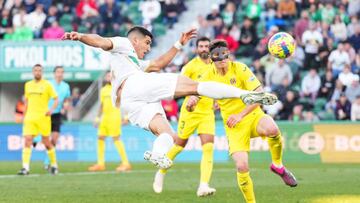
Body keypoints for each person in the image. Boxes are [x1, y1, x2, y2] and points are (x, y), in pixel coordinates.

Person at [62, 26, 277, 170]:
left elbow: (157, 64)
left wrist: (179, 44)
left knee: (168, 135)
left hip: (129, 103)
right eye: (146, 43)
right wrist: (80, 37)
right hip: (135, 85)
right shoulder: (124, 44)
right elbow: (101, 41)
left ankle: (157, 154)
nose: (147, 48)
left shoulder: (133, 62)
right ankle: (245, 94)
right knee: (195, 87)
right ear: (135, 40)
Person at [192, 40, 297, 202]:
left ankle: (277, 165)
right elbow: (197, 90)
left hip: (251, 115)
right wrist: (193, 99)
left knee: (273, 129)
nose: (222, 58)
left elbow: (260, 95)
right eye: (217, 56)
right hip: (234, 126)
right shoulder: (208, 75)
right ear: (212, 59)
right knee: (242, 166)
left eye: (225, 54)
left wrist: (240, 114)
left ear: (229, 54)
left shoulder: (240, 68)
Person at [152, 37, 217, 197]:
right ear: (196, 49)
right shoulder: (190, 67)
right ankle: (161, 171)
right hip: (191, 112)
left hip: (207, 112)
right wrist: (191, 96)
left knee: (208, 148)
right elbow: (179, 87)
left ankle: (203, 185)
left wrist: (217, 101)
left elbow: (216, 85)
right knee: (179, 145)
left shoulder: (215, 66)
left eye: (206, 46)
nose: (203, 49)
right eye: (200, 46)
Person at [18, 64, 59, 175]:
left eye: (39, 70)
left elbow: (56, 99)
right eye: (36, 70)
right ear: (33, 72)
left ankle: (54, 165)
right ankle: (25, 168)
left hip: (43, 118)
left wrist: (51, 110)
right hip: (30, 118)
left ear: (42, 72)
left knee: (46, 142)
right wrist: (24, 115)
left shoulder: (47, 85)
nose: (37, 72)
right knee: (27, 140)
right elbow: (26, 101)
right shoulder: (28, 85)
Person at [88, 71, 131, 172]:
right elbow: (102, 105)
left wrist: (126, 117)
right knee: (100, 137)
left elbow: (124, 103)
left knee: (116, 139)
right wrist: (97, 118)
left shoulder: (118, 89)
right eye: (107, 75)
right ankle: (100, 164)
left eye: (110, 75)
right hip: (105, 118)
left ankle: (126, 163)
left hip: (114, 117)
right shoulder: (103, 90)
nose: (108, 77)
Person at [43, 66, 71, 169]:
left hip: (57, 114)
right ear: (54, 73)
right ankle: (48, 162)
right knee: (45, 139)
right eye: (58, 72)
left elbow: (67, 99)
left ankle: (47, 162)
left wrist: (65, 105)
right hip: (46, 114)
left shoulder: (66, 86)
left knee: (54, 139)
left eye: (62, 72)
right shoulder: (48, 84)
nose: (60, 74)